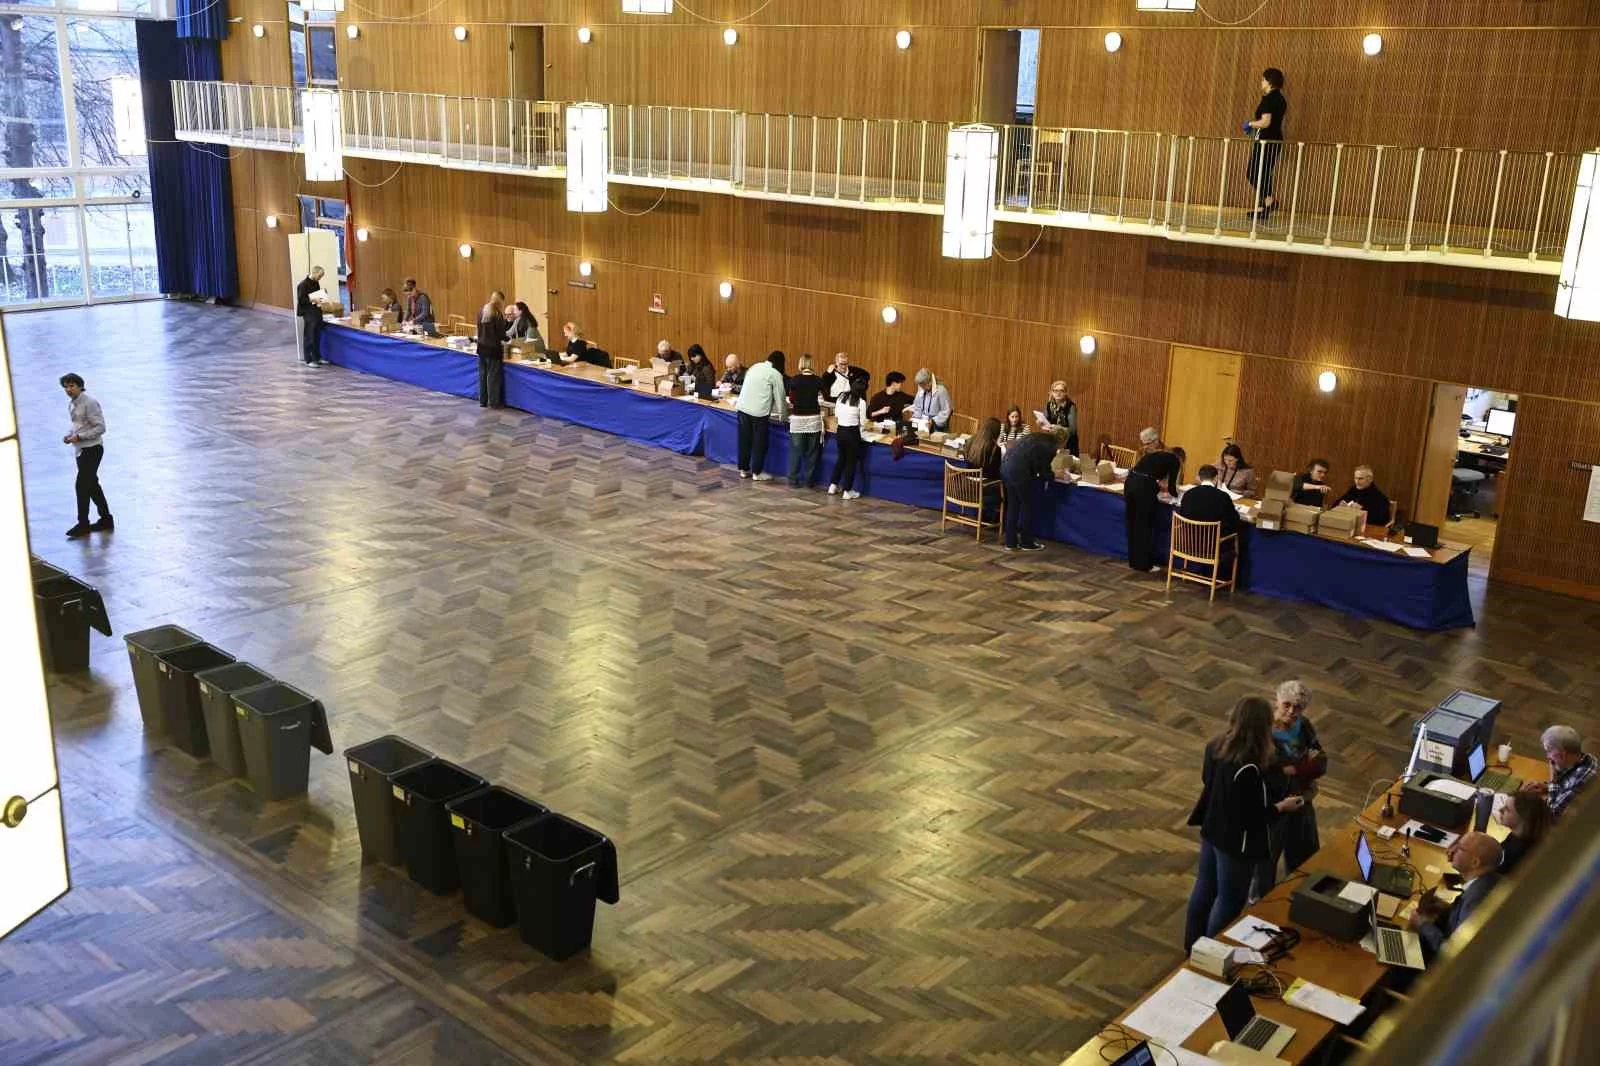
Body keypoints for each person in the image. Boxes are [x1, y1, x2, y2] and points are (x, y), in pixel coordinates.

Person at [1185, 696, 1306, 952]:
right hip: (1235, 843)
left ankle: (1192, 947)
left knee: (1204, 889)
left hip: (1212, 828)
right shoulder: (1250, 765)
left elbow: (1208, 781)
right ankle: (1209, 954)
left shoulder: (1215, 745)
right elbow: (1253, 816)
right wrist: (1282, 807)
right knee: (1229, 901)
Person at [1250, 680, 1325, 899]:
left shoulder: (1305, 726)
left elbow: (1321, 762)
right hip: (1275, 806)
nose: (1292, 711)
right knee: (1266, 860)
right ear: (1277, 701)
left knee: (1305, 854)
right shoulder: (1264, 734)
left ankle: (1302, 896)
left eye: (1298, 707)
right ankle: (1259, 901)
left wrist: (1295, 769)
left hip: (1302, 799)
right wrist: (1304, 765)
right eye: (1287, 705)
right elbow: (1268, 774)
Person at [1409, 832, 1502, 958]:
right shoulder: (1491, 881)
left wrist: (1422, 925)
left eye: (1460, 848)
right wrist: (1449, 909)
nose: (1451, 850)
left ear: (1474, 862)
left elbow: (1454, 952)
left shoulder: (1474, 900)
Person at [60, 373, 112, 539]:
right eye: (66, 387)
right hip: (81, 451)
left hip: (92, 449)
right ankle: (106, 519)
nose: (68, 389)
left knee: (81, 486)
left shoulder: (90, 403)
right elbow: (77, 425)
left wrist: (80, 437)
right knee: (92, 486)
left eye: (72, 386)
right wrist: (70, 435)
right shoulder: (72, 404)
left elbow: (101, 427)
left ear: (80, 386)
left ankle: (83, 524)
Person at [1001, 429, 1068, 552]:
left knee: (1013, 506)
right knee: (1027, 506)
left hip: (1006, 467)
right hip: (1019, 472)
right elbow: (1043, 472)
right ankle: (1027, 542)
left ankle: (1010, 542)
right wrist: (1055, 474)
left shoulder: (1037, 436)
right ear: (1063, 442)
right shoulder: (1050, 447)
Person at [1124, 445, 1185, 572]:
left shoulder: (1156, 455)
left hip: (1130, 483)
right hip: (1143, 488)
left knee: (1132, 523)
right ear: (1181, 458)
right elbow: (1171, 487)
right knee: (1144, 526)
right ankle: (1144, 565)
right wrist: (1179, 495)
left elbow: (1151, 475)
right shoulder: (1175, 461)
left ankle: (1133, 561)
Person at [1520, 726, 1597, 817]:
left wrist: (1553, 779)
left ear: (1562, 755)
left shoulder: (1582, 779)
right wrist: (1548, 787)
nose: (1548, 756)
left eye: (1548, 751)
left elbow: (1551, 814)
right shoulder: (1585, 759)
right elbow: (1566, 787)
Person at [736, 351, 788, 481]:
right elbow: (780, 398)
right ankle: (757, 472)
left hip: (742, 408)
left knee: (744, 441)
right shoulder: (775, 374)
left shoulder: (754, 366)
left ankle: (743, 469)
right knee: (760, 443)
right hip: (759, 413)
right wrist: (783, 417)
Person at [1243, 68, 1287, 219]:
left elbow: (1266, 122)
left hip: (1266, 142)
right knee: (1264, 173)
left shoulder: (1268, 99)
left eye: (1263, 79)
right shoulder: (1281, 99)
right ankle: (1264, 207)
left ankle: (1269, 201)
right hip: (1274, 141)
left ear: (1269, 81)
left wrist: (1250, 124)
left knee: (1253, 173)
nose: (1261, 82)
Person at [786, 353, 826, 487]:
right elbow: (824, 398)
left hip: (798, 419)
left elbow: (791, 400)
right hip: (813, 419)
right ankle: (809, 481)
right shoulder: (818, 380)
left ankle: (793, 480)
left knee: (796, 451)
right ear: (812, 364)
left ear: (801, 364)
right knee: (812, 452)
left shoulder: (794, 380)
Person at [1178, 465, 1243, 538]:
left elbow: (1182, 514)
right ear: (1216, 478)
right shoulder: (1223, 496)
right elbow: (1234, 520)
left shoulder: (1188, 494)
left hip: (1189, 537)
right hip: (1213, 539)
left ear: (1199, 478)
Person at [829, 380, 869, 500]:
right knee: (851, 462)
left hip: (840, 431)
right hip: (852, 433)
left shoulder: (841, 396)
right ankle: (847, 491)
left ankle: (833, 485)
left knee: (841, 458)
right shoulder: (861, 402)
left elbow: (836, 415)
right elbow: (863, 422)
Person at [1495, 791, 1552, 875]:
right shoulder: (1517, 836)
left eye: (1507, 809)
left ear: (1523, 818)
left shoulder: (1517, 854)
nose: (1500, 810)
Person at [475, 296, 506, 408]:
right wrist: (508, 339)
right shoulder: (497, 314)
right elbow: (501, 334)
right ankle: (493, 402)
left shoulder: (481, 311)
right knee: (493, 377)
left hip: (481, 348)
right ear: (500, 301)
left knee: (482, 376)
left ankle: (482, 401)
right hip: (493, 350)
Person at [295, 265, 328, 367]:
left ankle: (317, 357)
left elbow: (316, 296)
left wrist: (322, 296)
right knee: (309, 336)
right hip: (308, 313)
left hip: (316, 312)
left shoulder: (316, 283)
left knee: (317, 336)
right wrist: (313, 299)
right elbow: (301, 300)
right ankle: (309, 360)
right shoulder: (302, 285)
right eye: (320, 276)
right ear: (314, 273)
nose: (320, 278)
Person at [1039, 381, 1079, 456]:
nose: (1058, 393)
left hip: (1068, 443)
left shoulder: (1070, 406)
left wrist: (1058, 428)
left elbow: (1072, 430)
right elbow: (1045, 421)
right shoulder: (1049, 405)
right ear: (1052, 392)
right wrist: (1040, 423)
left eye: (1061, 391)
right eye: (1055, 391)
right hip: (1053, 441)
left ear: (1065, 393)